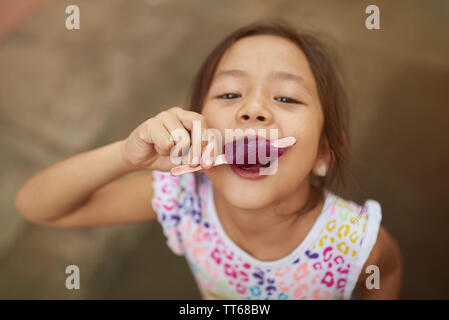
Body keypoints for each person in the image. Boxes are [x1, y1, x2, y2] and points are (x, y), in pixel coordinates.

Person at [14, 21, 402, 300]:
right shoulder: (182, 196)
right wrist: (126, 156)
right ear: (195, 126)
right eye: (230, 94)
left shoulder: (356, 243)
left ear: (323, 154)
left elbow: (387, 274)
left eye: (286, 98)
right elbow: (38, 207)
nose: (253, 109)